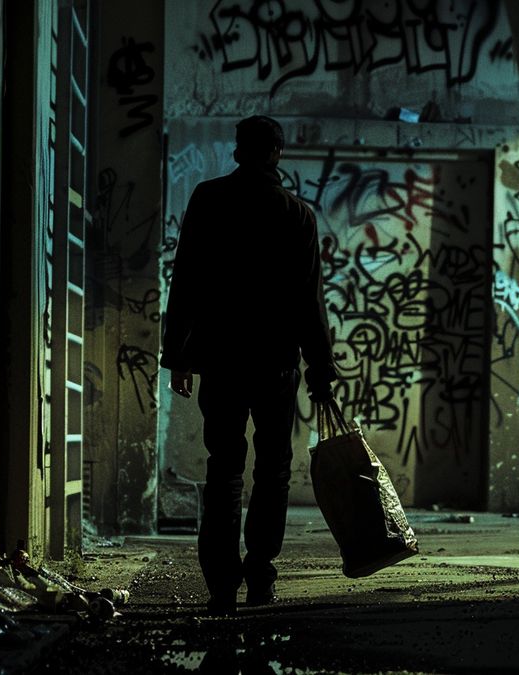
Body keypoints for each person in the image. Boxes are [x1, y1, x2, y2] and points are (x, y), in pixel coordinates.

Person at [160, 115, 338, 615]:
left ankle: (221, 585)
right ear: (277, 154)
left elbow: (187, 281)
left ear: (238, 151)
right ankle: (260, 572)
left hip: (221, 360)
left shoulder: (208, 199)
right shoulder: (297, 215)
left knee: (224, 471)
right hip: (276, 365)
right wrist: (321, 370)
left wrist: (179, 356)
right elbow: (310, 304)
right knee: (273, 470)